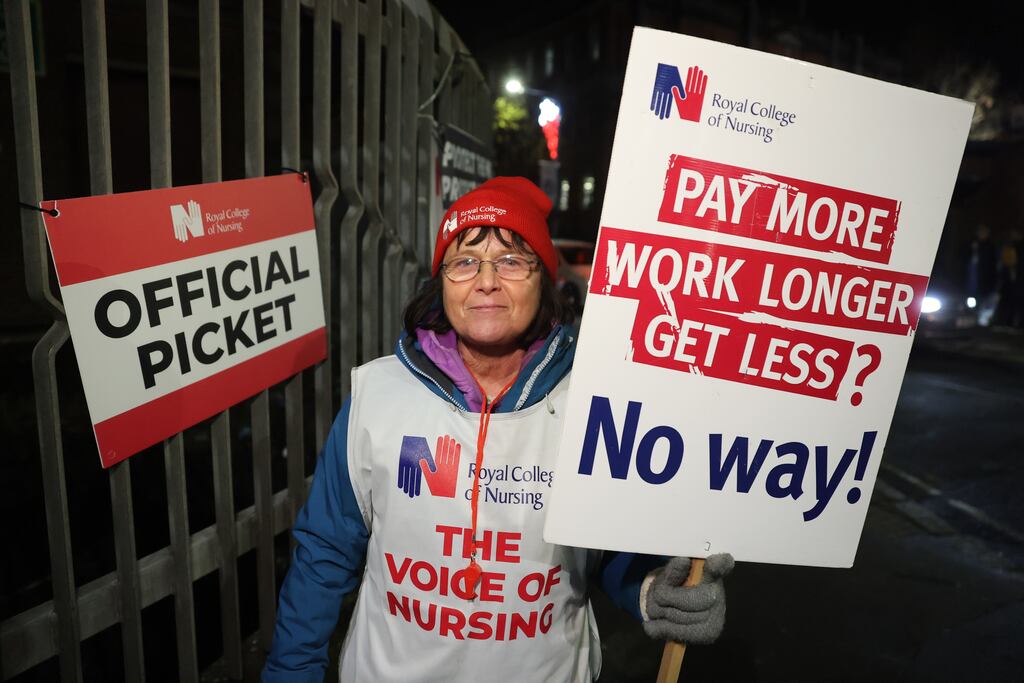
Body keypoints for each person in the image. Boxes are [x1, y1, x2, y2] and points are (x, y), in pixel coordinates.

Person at [262, 177, 732, 682]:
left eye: (511, 260)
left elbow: (607, 549)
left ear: (543, 280)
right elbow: (325, 554)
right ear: (442, 282)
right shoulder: (377, 395)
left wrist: (654, 588)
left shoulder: (592, 403)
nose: (486, 280)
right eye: (465, 261)